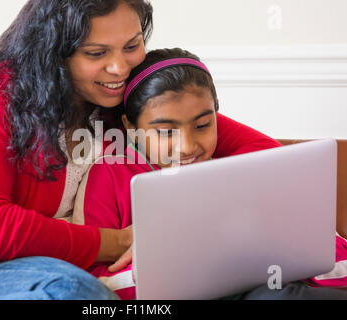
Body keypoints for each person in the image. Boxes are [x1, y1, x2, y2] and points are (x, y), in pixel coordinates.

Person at [0, 0, 283, 300]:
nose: (119, 68)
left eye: (132, 46)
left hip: (79, 267)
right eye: (96, 52)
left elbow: (267, 160)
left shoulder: (120, 100)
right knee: (74, 292)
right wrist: (122, 240)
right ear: (53, 53)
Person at [72, 48, 347, 300]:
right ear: (130, 126)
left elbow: (330, 254)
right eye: (166, 131)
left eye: (203, 125)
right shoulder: (108, 174)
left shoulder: (237, 172)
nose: (188, 147)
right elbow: (92, 281)